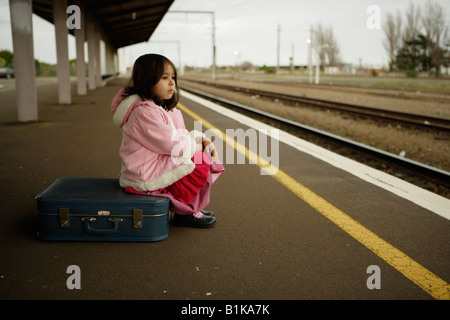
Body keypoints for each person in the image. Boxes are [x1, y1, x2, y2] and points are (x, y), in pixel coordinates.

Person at [110, 53, 224, 228]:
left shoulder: (161, 107)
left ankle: (189, 208)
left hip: (153, 164)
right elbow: (171, 144)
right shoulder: (144, 113)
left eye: (173, 77)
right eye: (164, 78)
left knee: (202, 157)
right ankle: (185, 212)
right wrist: (198, 145)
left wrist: (201, 140)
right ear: (147, 80)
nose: (172, 83)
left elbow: (180, 135)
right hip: (143, 175)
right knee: (199, 162)